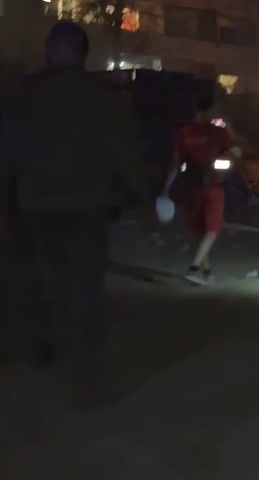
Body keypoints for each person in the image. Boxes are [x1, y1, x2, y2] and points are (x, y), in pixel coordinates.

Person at [0, 21, 148, 399]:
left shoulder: (23, 95)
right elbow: (126, 156)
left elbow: (7, 152)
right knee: (85, 285)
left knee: (38, 277)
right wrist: (141, 199)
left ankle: (41, 345)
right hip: (87, 207)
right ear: (83, 56)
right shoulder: (103, 99)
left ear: (49, 52)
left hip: (33, 206)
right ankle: (83, 371)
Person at [163, 96, 241, 284]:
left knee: (198, 230)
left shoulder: (185, 133)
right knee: (212, 230)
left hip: (191, 187)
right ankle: (194, 268)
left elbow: (175, 164)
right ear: (211, 111)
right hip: (214, 187)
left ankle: (206, 270)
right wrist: (230, 131)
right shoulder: (219, 132)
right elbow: (238, 152)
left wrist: (165, 189)